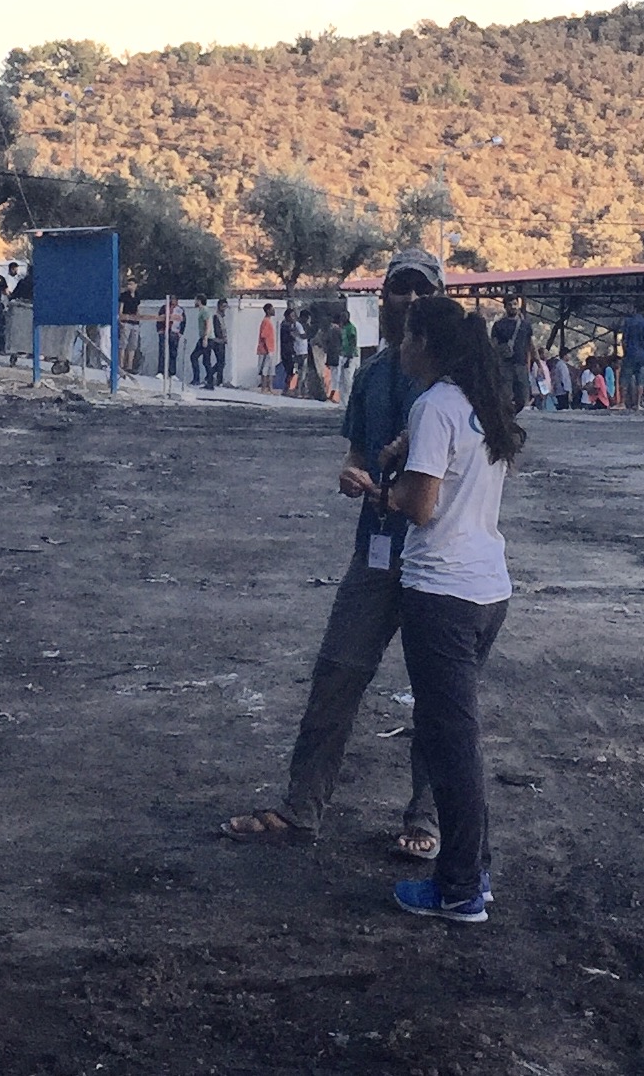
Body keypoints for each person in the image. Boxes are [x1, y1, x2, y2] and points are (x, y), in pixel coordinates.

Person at [223, 248, 445, 859]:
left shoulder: (456, 379)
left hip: (438, 559)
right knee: (338, 673)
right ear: (385, 297)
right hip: (373, 553)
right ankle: (302, 808)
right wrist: (350, 474)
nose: (413, 300)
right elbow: (354, 453)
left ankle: (428, 817)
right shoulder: (372, 377)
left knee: (437, 692)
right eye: (402, 288)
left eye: (424, 290)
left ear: (441, 298)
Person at [386, 293, 526, 921]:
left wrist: (380, 490)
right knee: (458, 738)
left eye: (408, 336)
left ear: (428, 345)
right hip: (486, 588)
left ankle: (460, 887)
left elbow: (421, 507)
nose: (399, 345)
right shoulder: (477, 406)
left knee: (450, 744)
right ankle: (475, 872)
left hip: (440, 589)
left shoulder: (433, 407)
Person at [490, 295, 536, 416]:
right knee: (506, 395)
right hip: (505, 365)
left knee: (523, 396)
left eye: (515, 304)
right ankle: (508, 419)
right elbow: (493, 345)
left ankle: (516, 416)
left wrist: (538, 363)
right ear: (505, 307)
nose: (513, 307)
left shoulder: (525, 325)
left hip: (521, 365)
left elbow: (530, 344)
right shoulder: (498, 325)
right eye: (510, 305)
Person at [619, 308, 644, 412]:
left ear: (634, 309)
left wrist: (625, 353)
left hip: (630, 353)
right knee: (641, 380)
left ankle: (622, 402)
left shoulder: (628, 322)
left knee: (625, 378)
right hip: (643, 354)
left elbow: (624, 339)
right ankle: (638, 404)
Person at [256, 304, 278, 391]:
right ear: (268, 310)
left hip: (268, 348)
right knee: (266, 369)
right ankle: (265, 388)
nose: (274, 311)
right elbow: (264, 336)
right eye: (272, 309)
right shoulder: (266, 322)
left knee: (269, 369)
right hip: (266, 349)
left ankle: (268, 387)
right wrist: (268, 349)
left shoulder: (267, 321)